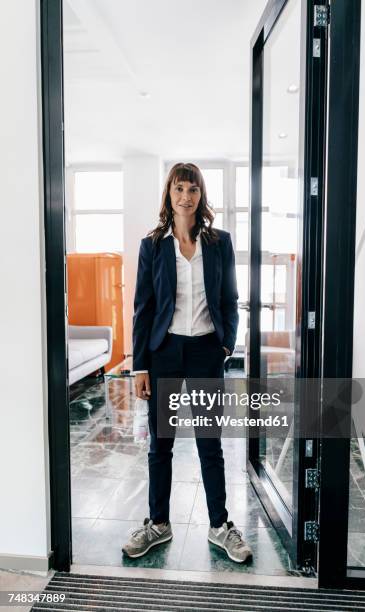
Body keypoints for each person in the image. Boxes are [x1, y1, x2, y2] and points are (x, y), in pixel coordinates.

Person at [122, 162, 252, 564]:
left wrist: (226, 345)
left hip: (204, 352)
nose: (186, 197)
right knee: (160, 444)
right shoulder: (153, 245)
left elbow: (229, 297)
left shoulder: (219, 243)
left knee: (209, 443)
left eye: (193, 189)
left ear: (201, 195)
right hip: (163, 354)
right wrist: (140, 366)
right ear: (169, 194)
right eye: (179, 188)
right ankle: (158, 524)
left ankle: (219, 526)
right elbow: (143, 308)